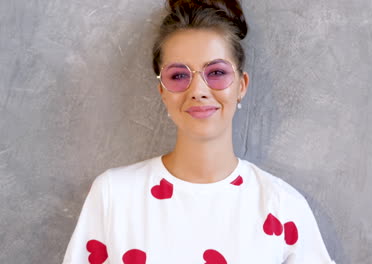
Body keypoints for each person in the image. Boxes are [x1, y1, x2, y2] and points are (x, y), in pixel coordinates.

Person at [62, 0, 336, 263]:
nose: (198, 91)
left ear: (241, 85)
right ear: (162, 91)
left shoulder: (282, 206)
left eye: (216, 72)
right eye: (179, 75)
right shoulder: (114, 197)